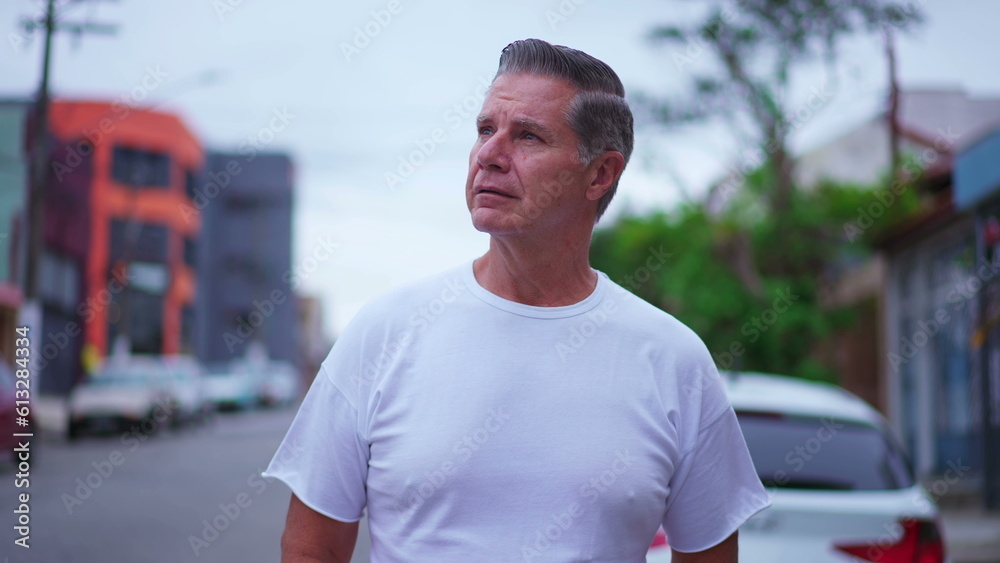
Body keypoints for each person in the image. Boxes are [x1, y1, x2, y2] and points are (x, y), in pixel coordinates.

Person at [264, 38, 770, 562]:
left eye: (527, 136)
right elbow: (310, 550)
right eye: (485, 130)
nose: (488, 155)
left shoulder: (672, 359)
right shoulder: (383, 333)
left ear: (600, 174)